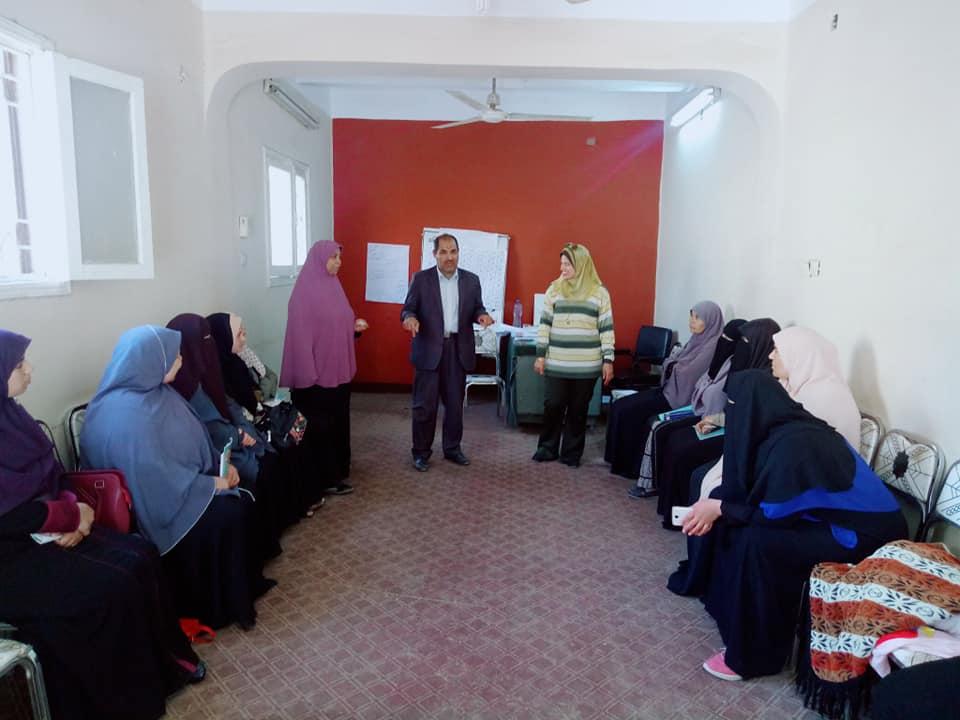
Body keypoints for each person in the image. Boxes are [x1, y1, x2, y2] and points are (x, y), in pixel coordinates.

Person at [0, 329, 203, 720]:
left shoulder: (13, 417)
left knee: (141, 555)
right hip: (10, 556)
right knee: (109, 587)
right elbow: (9, 516)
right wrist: (73, 516)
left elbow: (53, 475)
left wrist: (74, 508)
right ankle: (125, 702)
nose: (30, 370)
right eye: (19, 364)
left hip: (47, 530)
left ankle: (164, 667)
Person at [679, 371, 906, 681]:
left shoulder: (797, 444)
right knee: (728, 510)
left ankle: (752, 658)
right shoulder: (779, 429)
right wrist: (722, 505)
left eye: (735, 404)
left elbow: (773, 515)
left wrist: (720, 508)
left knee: (759, 543)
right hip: (829, 517)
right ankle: (731, 613)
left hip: (865, 534)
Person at [80, 325, 272, 630]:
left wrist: (219, 467)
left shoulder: (158, 393)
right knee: (229, 512)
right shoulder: (126, 414)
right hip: (157, 508)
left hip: (184, 485)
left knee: (242, 500)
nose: (181, 360)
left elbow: (196, 439)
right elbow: (155, 482)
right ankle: (220, 607)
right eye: (174, 355)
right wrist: (213, 483)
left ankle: (240, 591)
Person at [168, 313, 305, 557]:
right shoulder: (183, 387)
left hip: (239, 434)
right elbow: (211, 429)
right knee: (265, 470)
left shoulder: (209, 370)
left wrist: (245, 431)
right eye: (203, 340)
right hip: (220, 452)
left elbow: (232, 405)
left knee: (282, 452)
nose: (209, 345)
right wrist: (240, 435)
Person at [650, 318, 780, 527]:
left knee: (686, 452)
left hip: (740, 439)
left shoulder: (768, 380)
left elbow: (752, 421)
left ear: (761, 344)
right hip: (724, 423)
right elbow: (732, 408)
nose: (740, 347)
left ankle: (687, 518)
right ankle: (671, 510)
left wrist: (719, 421)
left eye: (746, 342)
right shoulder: (744, 365)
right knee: (676, 439)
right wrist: (716, 420)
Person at [401, 232, 494, 472]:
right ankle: (421, 453)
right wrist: (410, 318)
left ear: (458, 253)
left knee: (454, 405)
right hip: (429, 349)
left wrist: (482, 316)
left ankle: (452, 448)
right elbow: (408, 309)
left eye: (453, 251)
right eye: (443, 252)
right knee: (425, 406)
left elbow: (477, 307)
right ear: (435, 254)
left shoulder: (471, 281)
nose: (449, 257)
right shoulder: (421, 280)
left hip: (457, 350)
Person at [281, 241, 367, 495]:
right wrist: (309, 376)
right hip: (316, 377)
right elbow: (299, 339)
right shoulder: (302, 295)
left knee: (339, 422)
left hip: (339, 372)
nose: (338, 262)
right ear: (319, 259)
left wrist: (354, 328)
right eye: (333, 257)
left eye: (339, 257)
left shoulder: (334, 287)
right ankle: (326, 478)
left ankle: (339, 468)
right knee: (321, 426)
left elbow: (338, 324)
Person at [604, 301, 723, 480]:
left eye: (698, 318)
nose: (692, 321)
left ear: (711, 321)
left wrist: (673, 364)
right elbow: (673, 365)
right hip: (669, 389)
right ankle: (615, 459)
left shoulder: (712, 346)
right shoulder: (696, 340)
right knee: (621, 406)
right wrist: (673, 365)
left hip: (680, 398)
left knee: (631, 413)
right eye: (691, 316)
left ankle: (628, 467)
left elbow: (687, 373)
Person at [630, 318, 746, 498]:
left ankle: (664, 494)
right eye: (723, 337)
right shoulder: (718, 357)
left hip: (712, 417)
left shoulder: (735, 365)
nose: (723, 342)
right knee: (655, 423)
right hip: (697, 407)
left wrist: (674, 365)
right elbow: (699, 381)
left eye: (698, 317)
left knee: (674, 439)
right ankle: (647, 480)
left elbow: (704, 387)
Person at [531, 243, 615, 467]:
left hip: (586, 365)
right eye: (561, 264)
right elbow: (544, 324)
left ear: (582, 264)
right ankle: (547, 448)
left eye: (568, 264)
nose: (562, 268)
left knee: (578, 410)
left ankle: (571, 454)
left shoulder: (599, 293)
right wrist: (540, 355)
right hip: (557, 362)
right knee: (553, 404)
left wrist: (608, 360)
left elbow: (606, 329)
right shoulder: (554, 289)